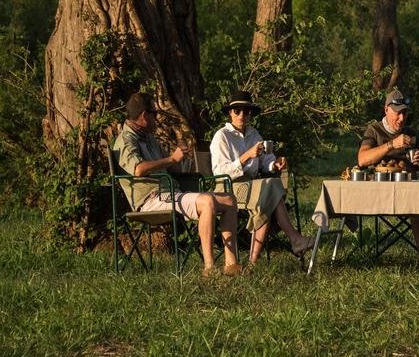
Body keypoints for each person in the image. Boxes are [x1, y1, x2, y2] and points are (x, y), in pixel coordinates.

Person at [113, 92, 242, 277]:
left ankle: (231, 265)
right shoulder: (126, 140)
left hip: (170, 193)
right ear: (144, 116)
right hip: (150, 200)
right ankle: (209, 268)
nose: (157, 118)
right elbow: (138, 169)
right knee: (207, 202)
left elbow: (170, 166)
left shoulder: (149, 138)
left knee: (229, 200)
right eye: (155, 114)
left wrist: (181, 161)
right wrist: (171, 158)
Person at [210, 90, 314, 265]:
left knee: (268, 194)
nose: (242, 114)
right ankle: (294, 239)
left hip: (251, 187)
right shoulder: (222, 136)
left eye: (247, 111)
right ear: (230, 113)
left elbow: (266, 161)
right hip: (227, 188)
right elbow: (220, 172)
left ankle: (253, 263)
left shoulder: (254, 135)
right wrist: (246, 156)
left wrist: (275, 164)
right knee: (270, 190)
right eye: (238, 111)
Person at [357, 88, 419, 265]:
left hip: (412, 185)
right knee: (417, 201)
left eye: (404, 113)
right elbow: (362, 160)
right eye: (397, 113)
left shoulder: (410, 133)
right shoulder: (374, 130)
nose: (401, 118)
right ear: (386, 110)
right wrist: (390, 145)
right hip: (384, 191)